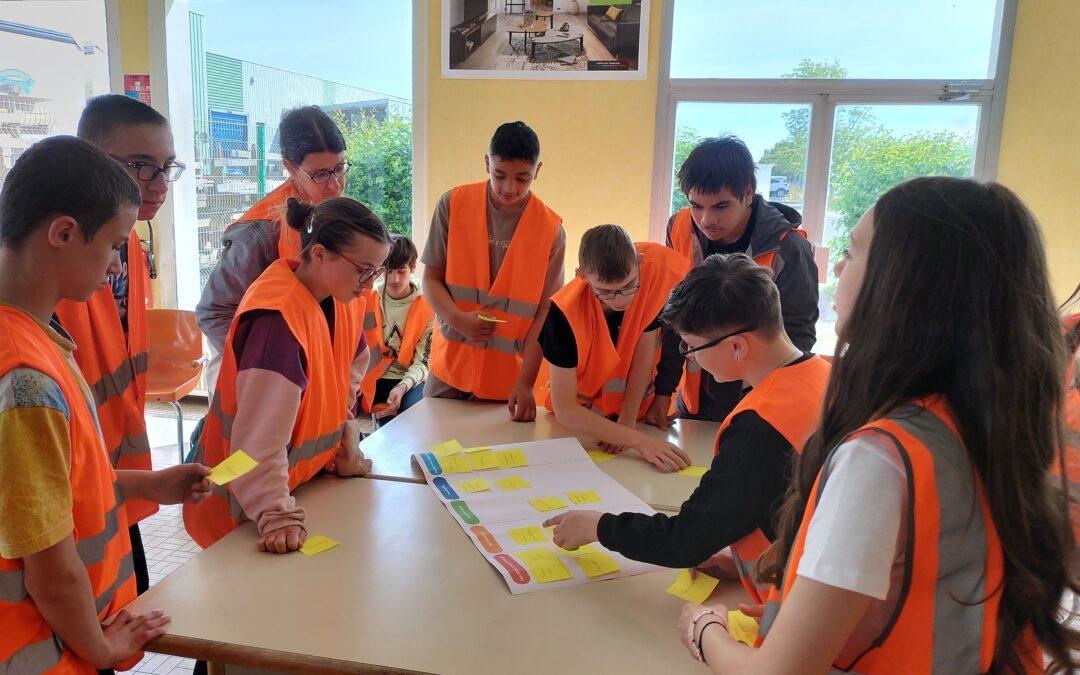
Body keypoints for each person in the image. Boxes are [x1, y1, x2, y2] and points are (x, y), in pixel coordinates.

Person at [677, 177, 1079, 673]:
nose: (839, 267)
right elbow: (914, 586)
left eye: (852, 252)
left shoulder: (882, 455)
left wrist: (705, 630)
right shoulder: (983, 426)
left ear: (904, 288)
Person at [0, 136, 211, 672]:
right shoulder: (24, 377)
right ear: (64, 233)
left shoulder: (35, 337)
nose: (118, 267)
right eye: (115, 245)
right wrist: (101, 649)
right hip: (44, 650)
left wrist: (148, 485)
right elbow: (47, 563)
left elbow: (49, 488)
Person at [547, 254, 830, 592]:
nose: (690, 356)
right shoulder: (823, 376)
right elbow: (773, 504)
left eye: (692, 346)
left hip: (790, 607)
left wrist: (597, 526)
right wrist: (744, 562)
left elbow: (685, 541)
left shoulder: (760, 425)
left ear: (738, 347)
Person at [185, 197, 391, 553]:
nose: (369, 283)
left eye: (377, 272)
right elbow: (257, 442)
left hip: (299, 488)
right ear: (321, 253)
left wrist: (345, 447)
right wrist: (276, 514)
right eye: (364, 270)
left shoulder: (345, 301)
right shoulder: (277, 320)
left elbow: (344, 389)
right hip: (244, 514)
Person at [52, 93, 183, 596]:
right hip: (64, 490)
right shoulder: (60, 256)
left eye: (167, 167)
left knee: (129, 598)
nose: (159, 184)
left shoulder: (126, 242)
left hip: (111, 480)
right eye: (142, 166)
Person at [648, 136, 819, 427]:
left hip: (756, 396)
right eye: (696, 205)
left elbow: (797, 335)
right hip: (694, 396)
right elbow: (674, 319)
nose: (706, 219)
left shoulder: (788, 248)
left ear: (748, 194)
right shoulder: (677, 227)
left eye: (721, 206)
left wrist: (761, 402)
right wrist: (663, 392)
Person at [197, 105, 353, 390]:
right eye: (320, 175)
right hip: (253, 377)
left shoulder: (337, 214)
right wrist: (272, 366)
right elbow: (214, 313)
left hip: (313, 371)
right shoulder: (259, 230)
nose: (335, 185)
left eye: (340, 168)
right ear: (290, 168)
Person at [421, 121, 566, 422]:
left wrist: (526, 382)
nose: (509, 188)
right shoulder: (452, 204)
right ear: (487, 163)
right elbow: (430, 278)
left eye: (522, 178)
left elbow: (544, 312)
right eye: (499, 175)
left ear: (538, 171)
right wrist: (457, 319)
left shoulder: (551, 230)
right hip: (448, 371)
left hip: (509, 382)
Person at [534, 224, 692, 471]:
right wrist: (638, 441)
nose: (621, 300)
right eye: (606, 292)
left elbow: (645, 349)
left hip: (634, 417)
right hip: (580, 425)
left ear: (639, 263)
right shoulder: (563, 314)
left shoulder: (651, 285)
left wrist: (628, 422)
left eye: (629, 286)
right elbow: (565, 410)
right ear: (582, 275)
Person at [358, 234, 433, 421]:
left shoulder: (428, 305)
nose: (394, 279)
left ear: (413, 267)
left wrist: (402, 387)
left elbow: (423, 361)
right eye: (388, 271)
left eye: (401, 271)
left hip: (409, 380)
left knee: (412, 416)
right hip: (372, 378)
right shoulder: (367, 298)